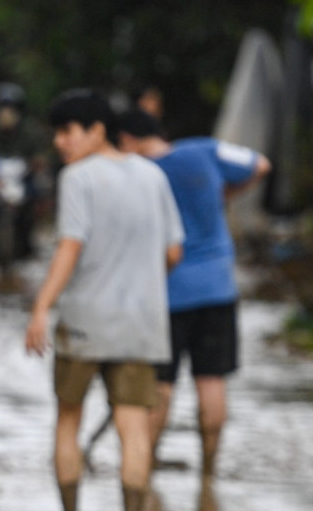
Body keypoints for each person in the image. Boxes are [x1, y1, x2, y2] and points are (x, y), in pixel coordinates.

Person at [25, 90, 183, 511]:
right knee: (135, 428)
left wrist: (41, 307)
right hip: (142, 324)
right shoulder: (154, 175)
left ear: (96, 130)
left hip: (86, 321)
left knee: (68, 420)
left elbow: (69, 247)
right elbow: (174, 252)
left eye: (67, 131)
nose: (60, 141)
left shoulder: (79, 178)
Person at [115, 109, 270, 476]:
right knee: (212, 380)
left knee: (162, 384)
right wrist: (225, 195)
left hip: (165, 292)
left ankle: (145, 462)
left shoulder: (138, 174)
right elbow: (260, 165)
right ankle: (210, 469)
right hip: (218, 286)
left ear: (126, 139)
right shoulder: (205, 151)